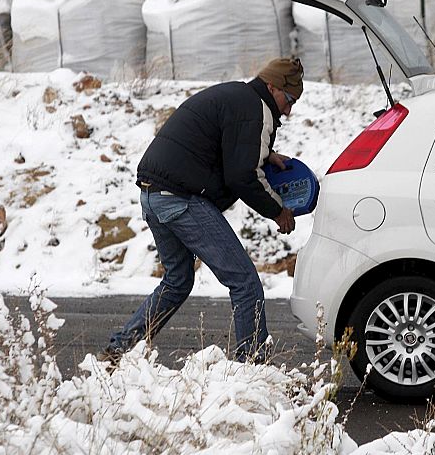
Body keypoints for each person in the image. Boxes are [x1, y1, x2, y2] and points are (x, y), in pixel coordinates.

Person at [98, 57, 304, 366]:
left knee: (178, 281)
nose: (288, 110)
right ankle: (253, 370)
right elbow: (242, 176)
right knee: (245, 283)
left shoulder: (237, 97)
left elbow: (227, 146)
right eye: (288, 100)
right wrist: (278, 211)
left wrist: (268, 155)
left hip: (152, 194)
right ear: (272, 86)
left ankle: (118, 350)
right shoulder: (254, 108)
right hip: (180, 198)